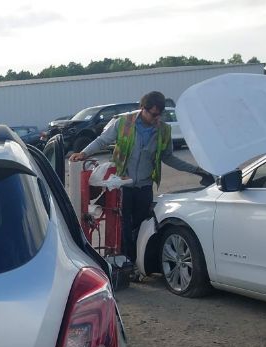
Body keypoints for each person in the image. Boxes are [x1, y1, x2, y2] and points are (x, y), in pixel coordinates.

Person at [68, 91, 212, 267]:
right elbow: (102, 141)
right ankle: (126, 262)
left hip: (144, 186)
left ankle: (139, 262)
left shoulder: (163, 130)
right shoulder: (124, 123)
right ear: (143, 108)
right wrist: (84, 153)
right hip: (122, 184)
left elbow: (168, 157)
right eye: (153, 114)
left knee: (142, 226)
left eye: (159, 115)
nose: (156, 118)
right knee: (123, 227)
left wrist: (196, 169)